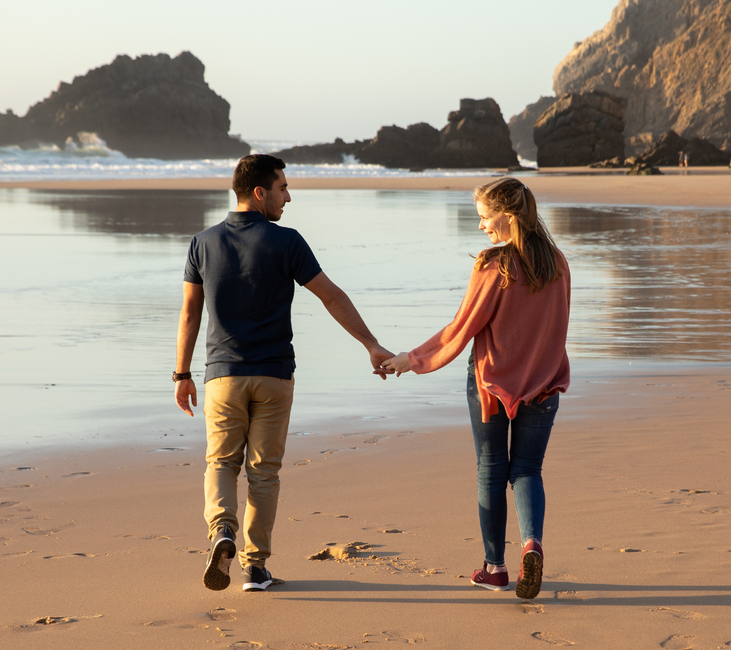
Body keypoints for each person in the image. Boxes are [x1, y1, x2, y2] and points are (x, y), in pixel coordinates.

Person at [175, 154, 392, 592]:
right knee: (264, 472)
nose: (287, 197)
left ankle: (222, 531)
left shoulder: (202, 243)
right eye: (282, 188)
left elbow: (189, 315)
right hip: (274, 376)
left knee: (220, 462)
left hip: (222, 376)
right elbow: (331, 297)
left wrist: (181, 374)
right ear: (260, 193)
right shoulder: (287, 242)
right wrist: (371, 344)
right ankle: (255, 567)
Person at [381, 177, 570, 600]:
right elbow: (558, 326)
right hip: (543, 385)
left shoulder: (495, 265)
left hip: (492, 385)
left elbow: (461, 328)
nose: (482, 226)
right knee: (526, 470)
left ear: (508, 214)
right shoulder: (558, 262)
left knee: (491, 470)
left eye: (485, 217)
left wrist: (410, 360)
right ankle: (532, 544)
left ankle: (495, 567)